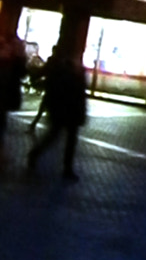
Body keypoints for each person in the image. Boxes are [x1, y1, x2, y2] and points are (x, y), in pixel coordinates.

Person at [26, 46, 87, 182]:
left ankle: (66, 168)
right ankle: (38, 155)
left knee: (64, 137)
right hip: (63, 107)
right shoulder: (63, 66)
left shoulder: (73, 67)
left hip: (69, 108)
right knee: (56, 136)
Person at [1, 32, 26, 168]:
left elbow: (22, 73)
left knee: (2, 123)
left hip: (5, 98)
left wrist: (20, 57)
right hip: (4, 97)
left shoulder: (14, 61)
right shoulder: (7, 60)